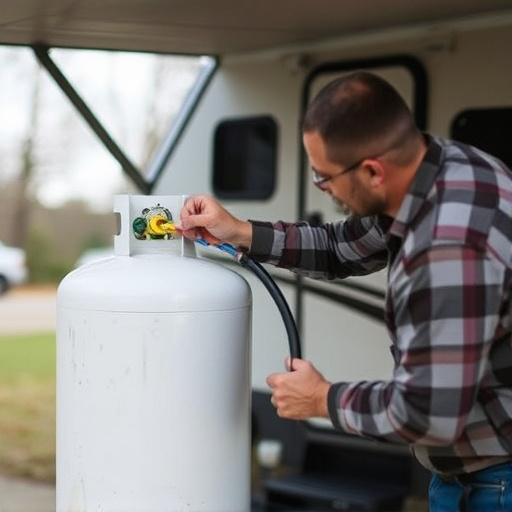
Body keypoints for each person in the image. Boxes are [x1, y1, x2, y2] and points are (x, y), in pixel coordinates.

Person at [177, 71, 512, 511]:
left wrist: (322, 398)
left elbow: (428, 413)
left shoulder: (448, 249)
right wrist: (239, 231)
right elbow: (341, 246)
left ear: (373, 171)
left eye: (323, 177)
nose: (325, 188)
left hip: (493, 484)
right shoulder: (447, 167)